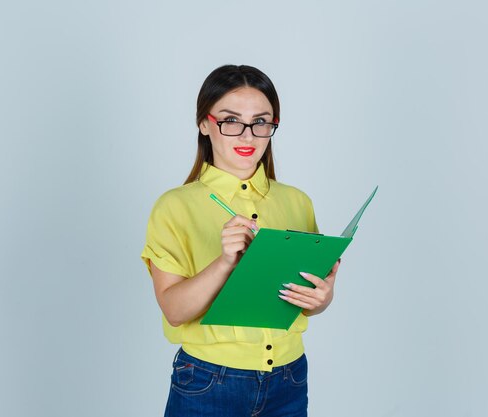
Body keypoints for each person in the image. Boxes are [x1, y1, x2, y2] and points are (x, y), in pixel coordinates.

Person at [141, 64, 340, 417]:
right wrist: (224, 263)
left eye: (261, 122)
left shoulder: (297, 201)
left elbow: (303, 299)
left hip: (290, 378)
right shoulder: (174, 206)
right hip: (209, 381)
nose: (247, 136)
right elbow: (173, 311)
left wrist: (322, 297)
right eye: (231, 121)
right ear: (205, 123)